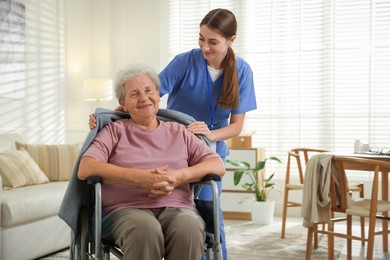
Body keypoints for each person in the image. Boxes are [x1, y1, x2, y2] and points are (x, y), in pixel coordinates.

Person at [88, 8, 257, 259]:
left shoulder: (241, 71)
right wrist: (107, 116)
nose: (204, 47)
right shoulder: (184, 62)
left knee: (208, 217)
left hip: (206, 144)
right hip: (171, 141)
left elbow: (236, 126)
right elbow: (146, 94)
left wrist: (209, 136)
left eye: (212, 41)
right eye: (201, 38)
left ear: (231, 40)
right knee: (158, 221)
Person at [79, 63, 225, 260]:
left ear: (158, 94)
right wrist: (138, 178)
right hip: (124, 210)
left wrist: (178, 176)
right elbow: (86, 167)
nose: (144, 98)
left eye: (149, 90)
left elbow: (217, 165)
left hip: (178, 207)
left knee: (189, 227)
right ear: (123, 102)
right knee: (144, 230)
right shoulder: (114, 131)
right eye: (134, 94)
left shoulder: (179, 132)